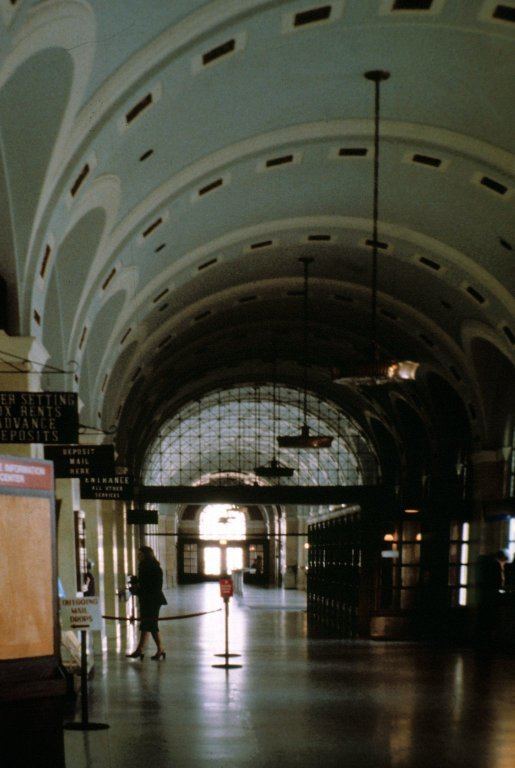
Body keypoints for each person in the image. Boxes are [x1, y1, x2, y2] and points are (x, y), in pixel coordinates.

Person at [126, 546, 167, 660]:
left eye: (140, 554)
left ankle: (158, 649)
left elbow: (153, 586)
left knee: (150, 624)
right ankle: (142, 649)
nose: (138, 556)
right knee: (147, 625)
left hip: (152, 600)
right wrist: (136, 582)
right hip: (148, 599)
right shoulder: (147, 566)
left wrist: (138, 589)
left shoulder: (150, 567)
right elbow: (145, 583)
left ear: (146, 555)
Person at [475, 549, 509, 647]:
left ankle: (481, 642)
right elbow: (498, 582)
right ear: (502, 559)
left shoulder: (484, 563)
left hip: (483, 597)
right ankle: (488, 642)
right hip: (492, 598)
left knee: (482, 620)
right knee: (490, 620)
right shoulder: (495, 565)